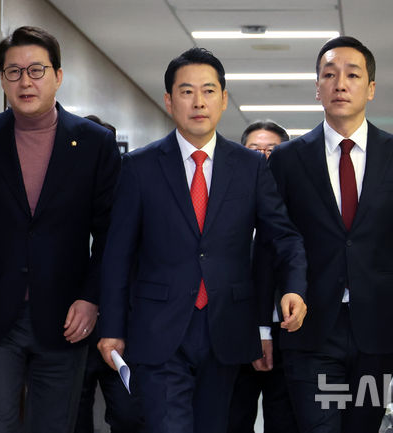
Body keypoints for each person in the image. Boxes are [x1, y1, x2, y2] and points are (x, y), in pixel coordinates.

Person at [98, 47, 308, 433]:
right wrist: (111, 326)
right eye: (186, 91)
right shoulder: (140, 167)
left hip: (225, 326)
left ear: (224, 99)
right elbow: (117, 254)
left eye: (209, 91)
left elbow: (284, 235)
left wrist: (294, 288)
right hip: (159, 328)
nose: (198, 102)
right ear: (169, 100)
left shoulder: (250, 167)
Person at [267, 36, 393, 433]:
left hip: (377, 328)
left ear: (371, 88)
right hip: (309, 327)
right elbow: (275, 240)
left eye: (353, 75)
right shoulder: (288, 159)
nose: (340, 84)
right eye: (329, 75)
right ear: (317, 87)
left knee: (363, 425)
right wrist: (262, 323)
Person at [0, 26, 121, 433]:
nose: (25, 81)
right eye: (14, 71)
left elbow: (110, 234)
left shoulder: (94, 142)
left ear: (58, 76)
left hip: (66, 316)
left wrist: (91, 298)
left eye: (36, 70)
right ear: (2, 79)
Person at [74, 115, 145, 433]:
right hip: (71, 328)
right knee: (73, 416)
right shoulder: (61, 205)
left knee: (130, 415)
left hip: (123, 328)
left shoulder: (133, 200)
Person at [228, 120, 298, 433]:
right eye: (254, 150)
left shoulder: (299, 210)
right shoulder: (224, 205)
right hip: (234, 333)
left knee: (284, 421)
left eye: (272, 150)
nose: (263, 157)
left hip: (290, 335)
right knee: (232, 420)